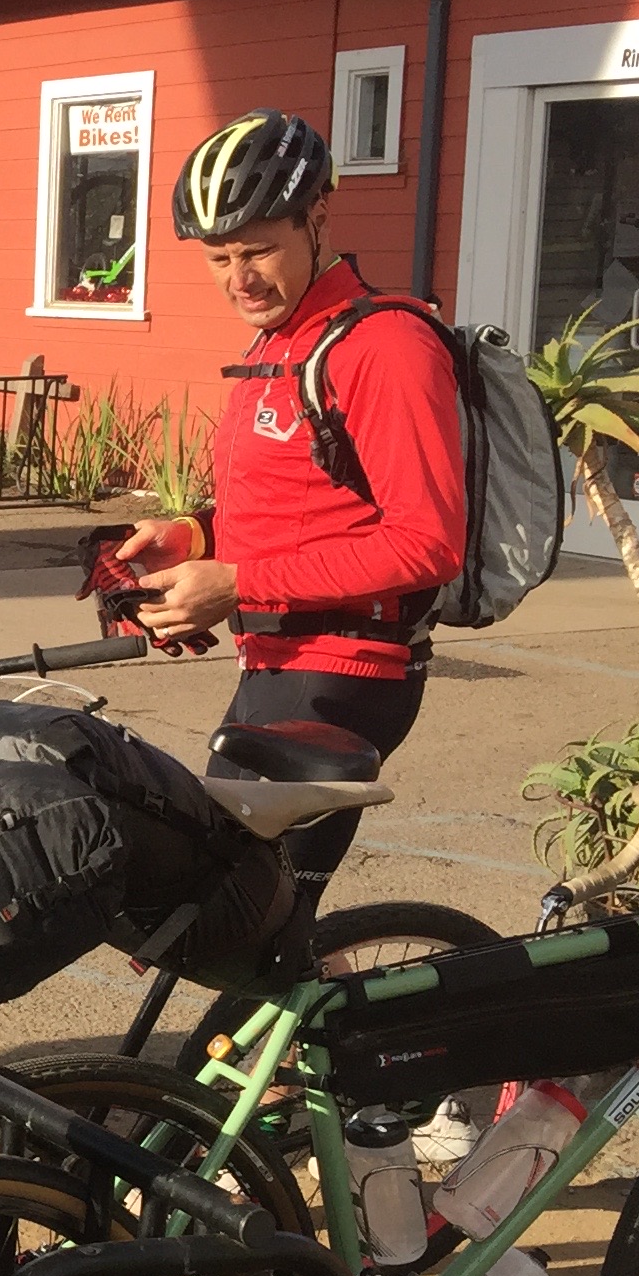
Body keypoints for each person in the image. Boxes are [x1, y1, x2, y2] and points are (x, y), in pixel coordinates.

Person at [115, 108, 468, 914]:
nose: (239, 278)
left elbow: (428, 543)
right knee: (226, 913)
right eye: (218, 258)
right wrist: (190, 536)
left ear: (318, 219)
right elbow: (307, 502)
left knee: (236, 915)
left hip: (345, 676)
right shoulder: (284, 338)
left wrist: (238, 583)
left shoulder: (384, 347)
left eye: (258, 250)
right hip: (279, 664)